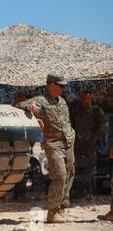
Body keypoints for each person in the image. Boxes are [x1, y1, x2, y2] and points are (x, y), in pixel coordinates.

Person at [16, 74, 75, 223]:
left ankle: (62, 208)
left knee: (69, 175)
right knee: (60, 176)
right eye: (60, 86)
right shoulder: (40, 101)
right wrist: (28, 107)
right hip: (53, 144)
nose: (63, 89)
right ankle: (53, 212)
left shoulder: (62, 101)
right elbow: (18, 106)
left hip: (68, 142)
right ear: (52, 85)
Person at [70, 91, 107, 198]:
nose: (86, 100)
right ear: (80, 100)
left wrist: (95, 138)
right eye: (84, 98)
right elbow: (71, 126)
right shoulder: (76, 112)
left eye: (88, 98)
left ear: (91, 99)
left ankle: (90, 192)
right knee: (77, 169)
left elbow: (103, 125)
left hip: (90, 146)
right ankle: (78, 192)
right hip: (77, 145)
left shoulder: (96, 111)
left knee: (90, 170)